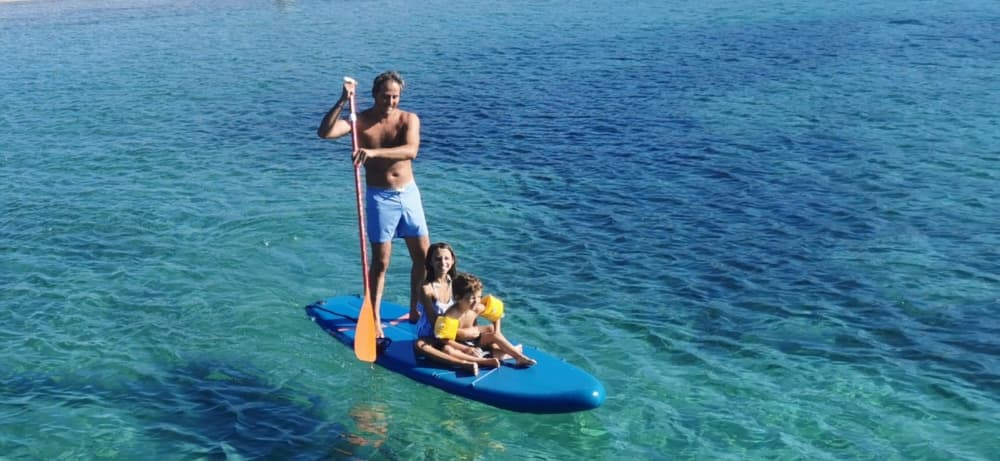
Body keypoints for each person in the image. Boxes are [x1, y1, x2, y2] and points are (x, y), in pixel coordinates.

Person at [317, 71, 430, 338]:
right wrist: (343, 100)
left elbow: (411, 150)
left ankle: (415, 309)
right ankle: (374, 317)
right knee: (381, 262)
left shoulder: (408, 119)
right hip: (380, 197)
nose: (391, 101)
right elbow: (325, 133)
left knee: (423, 258)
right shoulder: (361, 122)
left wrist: (373, 153)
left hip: (409, 194)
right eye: (386, 96)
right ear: (374, 95)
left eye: (395, 97)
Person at [413, 243, 500, 375]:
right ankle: (465, 363)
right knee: (419, 345)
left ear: (453, 260)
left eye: (446, 258)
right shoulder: (426, 288)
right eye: (437, 259)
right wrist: (464, 334)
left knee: (491, 329)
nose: (443, 262)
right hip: (434, 335)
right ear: (430, 262)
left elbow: (469, 308)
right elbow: (435, 324)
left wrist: (473, 328)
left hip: (453, 334)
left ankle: (498, 352)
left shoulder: (455, 282)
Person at [435, 273, 537, 369]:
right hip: (459, 344)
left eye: (479, 297)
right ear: (458, 297)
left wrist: (498, 332)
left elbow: (497, 314)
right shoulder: (451, 314)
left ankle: (519, 357)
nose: (476, 301)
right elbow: (444, 339)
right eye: (471, 298)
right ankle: (484, 360)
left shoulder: (477, 308)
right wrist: (466, 349)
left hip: (475, 340)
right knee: (447, 350)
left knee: (494, 334)